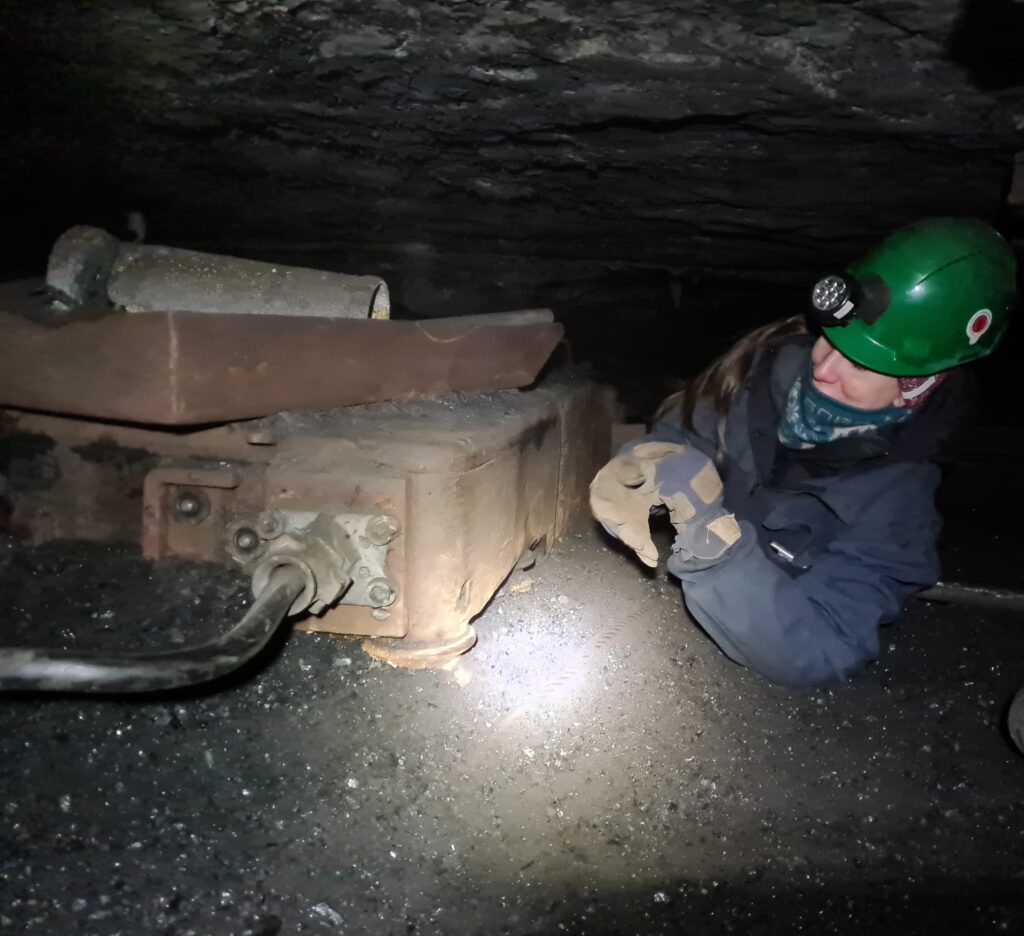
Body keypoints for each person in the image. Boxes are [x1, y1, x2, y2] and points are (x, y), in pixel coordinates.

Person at [590, 218, 1017, 688]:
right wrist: (648, 461)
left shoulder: (898, 507)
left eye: (861, 363)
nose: (824, 367)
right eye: (830, 337)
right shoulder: (756, 374)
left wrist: (714, 545)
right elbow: (683, 433)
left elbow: (823, 645)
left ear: (914, 387)